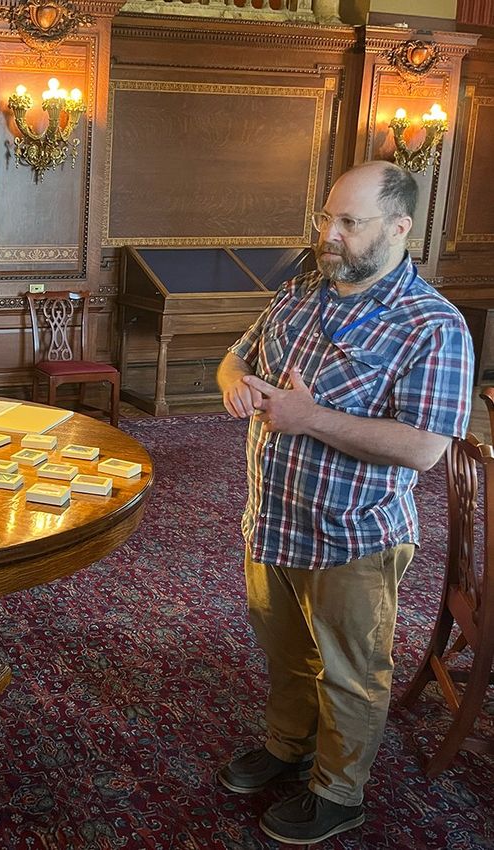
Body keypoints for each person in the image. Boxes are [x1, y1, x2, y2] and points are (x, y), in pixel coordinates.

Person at [215, 160, 474, 845]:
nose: (329, 235)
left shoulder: (433, 325)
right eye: (325, 218)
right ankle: (287, 746)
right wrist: (234, 382)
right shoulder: (302, 289)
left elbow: (425, 448)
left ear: (399, 227)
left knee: (350, 672)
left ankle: (338, 793)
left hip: (353, 535)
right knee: (286, 652)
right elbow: (236, 357)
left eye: (349, 223)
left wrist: (309, 417)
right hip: (273, 517)